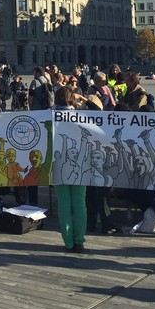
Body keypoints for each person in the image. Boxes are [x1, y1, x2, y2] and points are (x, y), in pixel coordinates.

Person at [52, 85, 87, 252]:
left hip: (58, 163)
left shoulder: (49, 116)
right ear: (73, 99)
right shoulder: (81, 116)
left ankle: (68, 242)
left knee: (64, 203)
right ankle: (79, 240)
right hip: (80, 163)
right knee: (80, 202)